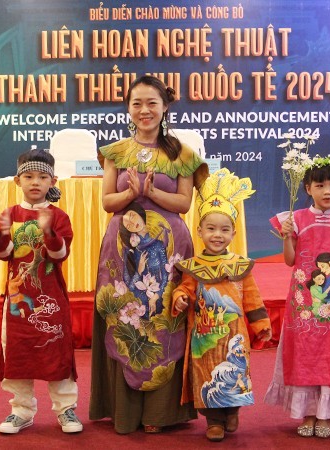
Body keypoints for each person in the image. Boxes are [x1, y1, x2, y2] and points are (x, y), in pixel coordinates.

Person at [89, 75, 208, 434]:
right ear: (128, 108)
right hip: (121, 252)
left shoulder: (182, 154)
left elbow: (185, 204)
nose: (144, 111)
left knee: (164, 319)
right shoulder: (115, 151)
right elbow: (108, 200)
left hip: (167, 254)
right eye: (137, 103)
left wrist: (152, 192)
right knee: (125, 319)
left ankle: (160, 412)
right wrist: (131, 195)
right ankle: (124, 413)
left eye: (152, 103)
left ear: (165, 107)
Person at [171, 168, 272, 442]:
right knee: (207, 376)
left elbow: (252, 297)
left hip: (234, 336)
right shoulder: (193, 266)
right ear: (200, 230)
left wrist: (261, 324)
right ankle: (213, 421)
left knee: (236, 374)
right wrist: (180, 297)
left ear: (234, 232)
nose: (217, 235)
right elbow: (185, 289)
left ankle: (231, 412)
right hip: (203, 336)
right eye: (211, 229)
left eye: (224, 229)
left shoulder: (240, 266)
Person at [265, 154, 330, 439]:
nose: (327, 191)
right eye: (319, 185)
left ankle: (326, 415)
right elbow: (290, 261)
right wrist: (287, 237)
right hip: (302, 303)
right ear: (307, 188)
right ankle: (306, 413)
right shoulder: (295, 218)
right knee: (304, 354)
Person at [0, 148, 82, 434]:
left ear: (52, 182)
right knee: (19, 353)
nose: (35, 182)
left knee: (56, 350)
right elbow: (4, 254)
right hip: (19, 301)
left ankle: (66, 410)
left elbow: (59, 255)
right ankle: (21, 411)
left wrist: (49, 232)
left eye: (42, 177)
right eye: (29, 176)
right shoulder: (10, 214)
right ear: (18, 181)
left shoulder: (60, 216)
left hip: (51, 296)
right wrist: (3, 234)